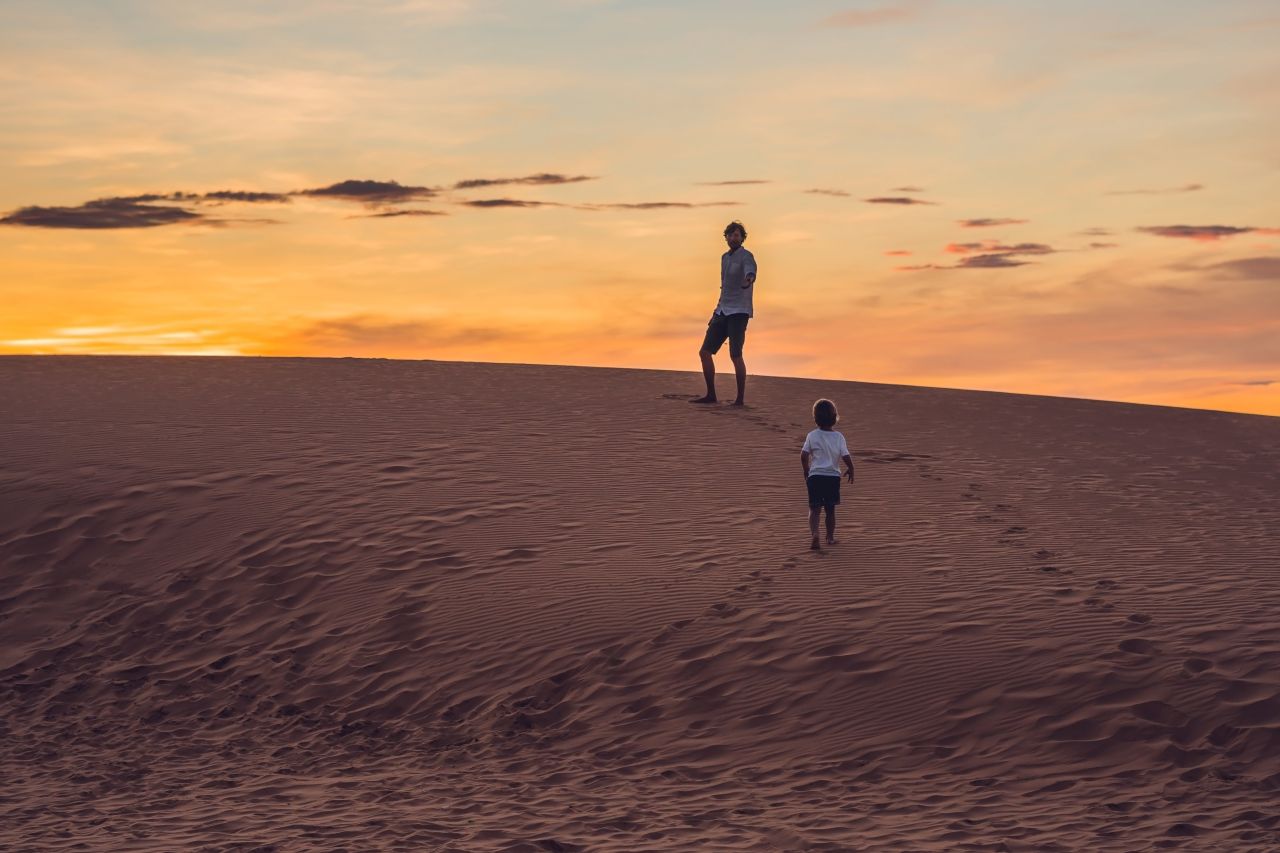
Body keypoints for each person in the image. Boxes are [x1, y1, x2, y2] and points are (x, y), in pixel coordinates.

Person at [691, 220, 757, 406]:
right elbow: (724, 287)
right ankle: (711, 394)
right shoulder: (724, 258)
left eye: (737, 235)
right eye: (730, 235)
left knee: (735, 354)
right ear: (726, 237)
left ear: (742, 238)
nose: (733, 238)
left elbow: (751, 271)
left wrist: (749, 279)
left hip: (739, 312)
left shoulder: (747, 256)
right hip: (722, 310)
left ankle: (740, 399)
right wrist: (715, 312)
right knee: (705, 352)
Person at [801, 399, 855, 551]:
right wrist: (851, 468)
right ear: (834, 417)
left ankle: (815, 534)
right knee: (830, 510)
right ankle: (830, 538)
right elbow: (845, 456)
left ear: (815, 417)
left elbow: (803, 455)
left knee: (814, 509)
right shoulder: (839, 437)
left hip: (815, 477)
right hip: (832, 477)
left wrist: (806, 469)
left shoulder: (812, 435)